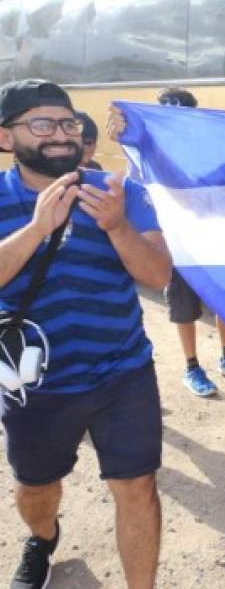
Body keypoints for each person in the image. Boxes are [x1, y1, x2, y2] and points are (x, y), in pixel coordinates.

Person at [0, 79, 172, 589]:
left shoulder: (122, 193)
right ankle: (43, 537)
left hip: (123, 372)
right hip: (36, 385)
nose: (60, 134)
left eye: (68, 123)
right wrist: (36, 229)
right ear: (6, 138)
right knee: (36, 489)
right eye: (41, 123)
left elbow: (160, 276)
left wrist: (118, 226)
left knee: (138, 487)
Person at [155, 87, 225, 396]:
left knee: (224, 302)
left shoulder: (207, 148)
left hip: (212, 239)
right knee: (183, 309)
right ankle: (192, 367)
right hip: (178, 244)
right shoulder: (151, 153)